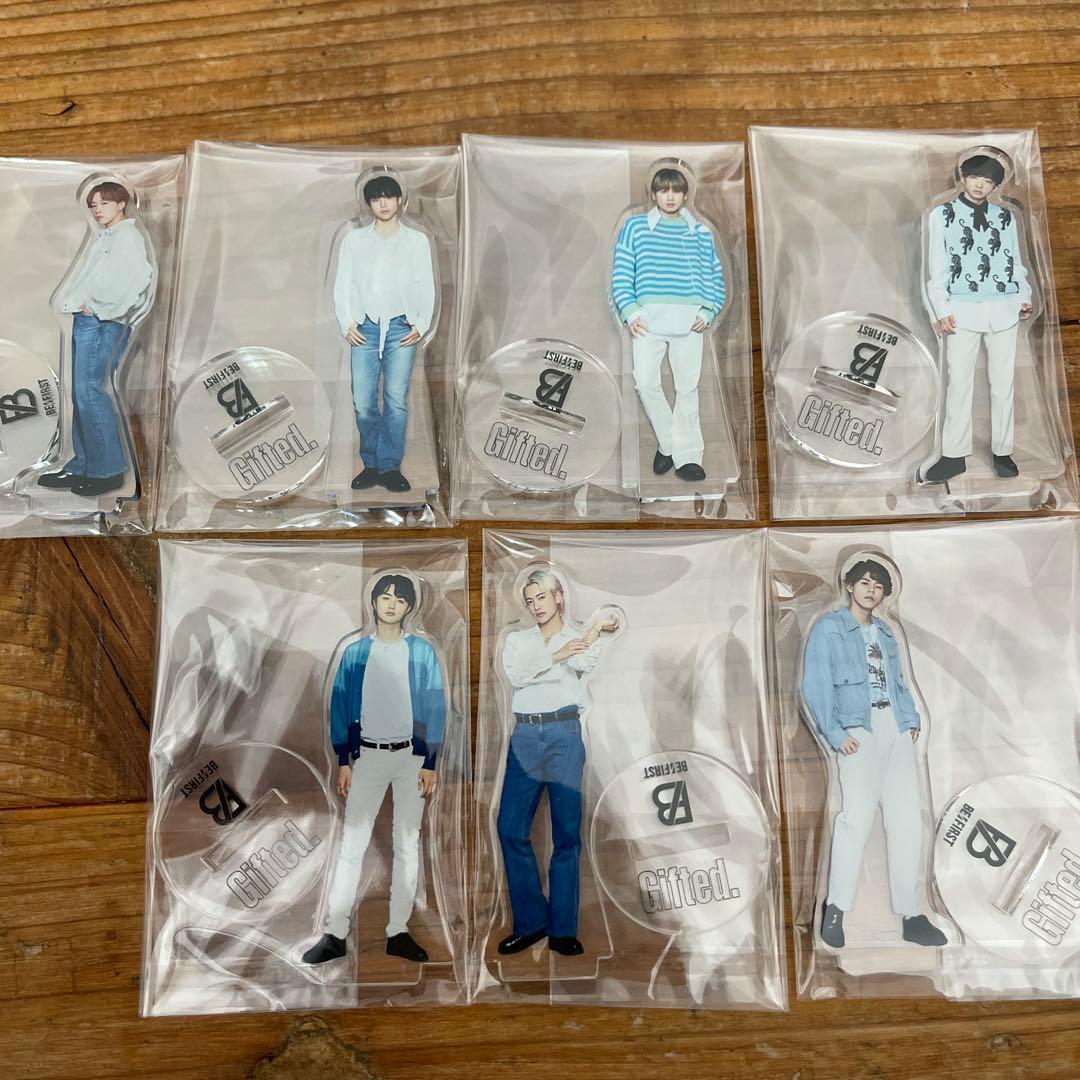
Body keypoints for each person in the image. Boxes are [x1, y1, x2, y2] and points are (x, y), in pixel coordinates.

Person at [801, 558, 947, 951]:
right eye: (864, 582)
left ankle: (912, 915)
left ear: (884, 594)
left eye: (878, 586)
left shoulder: (884, 631)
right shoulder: (829, 628)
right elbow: (816, 684)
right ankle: (835, 909)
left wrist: (910, 719)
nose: (871, 590)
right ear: (849, 585)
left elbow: (898, 682)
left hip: (894, 728)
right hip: (857, 729)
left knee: (907, 820)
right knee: (855, 820)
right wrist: (835, 733)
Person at [302, 573, 445, 966]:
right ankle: (334, 933)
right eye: (385, 596)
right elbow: (340, 703)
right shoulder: (355, 653)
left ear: (410, 606)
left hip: (411, 758)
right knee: (352, 844)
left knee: (407, 843)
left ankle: (398, 931)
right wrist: (343, 760)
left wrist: (430, 761)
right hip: (367, 756)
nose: (392, 604)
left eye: (400, 598)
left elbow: (435, 705)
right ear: (374, 602)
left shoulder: (421, 652)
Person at [495, 568, 620, 957]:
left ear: (559, 597)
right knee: (509, 827)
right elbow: (516, 675)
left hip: (564, 734)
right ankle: (532, 921)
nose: (536, 606)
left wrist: (594, 630)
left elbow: (586, 662)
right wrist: (556, 656)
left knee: (567, 832)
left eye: (542, 598)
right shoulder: (518, 641)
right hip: (526, 736)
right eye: (530, 600)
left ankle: (563, 928)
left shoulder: (576, 638)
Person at [38, 179, 154, 497]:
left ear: (121, 203)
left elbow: (138, 278)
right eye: (93, 205)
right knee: (82, 394)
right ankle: (84, 465)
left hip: (102, 322)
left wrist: (99, 308)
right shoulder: (109, 236)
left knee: (90, 391)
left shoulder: (127, 237)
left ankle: (107, 471)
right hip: (89, 319)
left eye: (104, 202)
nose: (97, 210)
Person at [611, 166, 726, 483]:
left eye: (676, 190)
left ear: (686, 194)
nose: (670, 196)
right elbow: (622, 272)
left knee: (687, 388)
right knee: (645, 382)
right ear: (654, 194)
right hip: (647, 319)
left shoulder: (700, 232)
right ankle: (670, 444)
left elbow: (715, 277)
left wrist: (707, 311)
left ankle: (687, 458)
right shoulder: (635, 227)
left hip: (690, 320)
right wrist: (630, 311)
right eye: (664, 190)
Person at [923, 152, 1032, 483]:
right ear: (963, 177)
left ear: (996, 186)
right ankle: (953, 456)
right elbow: (935, 266)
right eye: (974, 178)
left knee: (1003, 384)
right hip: (961, 310)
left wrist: (1024, 295)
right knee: (959, 383)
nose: (980, 186)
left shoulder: (1005, 217)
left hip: (1004, 307)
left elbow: (1014, 260)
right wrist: (940, 309)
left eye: (987, 181)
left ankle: (1003, 452)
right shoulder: (941, 215)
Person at [332, 173, 437, 494]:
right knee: (363, 401)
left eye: (388, 197)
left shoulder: (416, 241)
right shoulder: (354, 241)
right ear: (368, 204)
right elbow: (343, 284)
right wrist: (347, 322)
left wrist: (420, 323)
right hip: (365, 327)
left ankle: (389, 467)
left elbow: (426, 284)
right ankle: (371, 465)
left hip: (400, 328)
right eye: (376, 199)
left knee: (395, 400)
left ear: (399, 200)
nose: (383, 204)